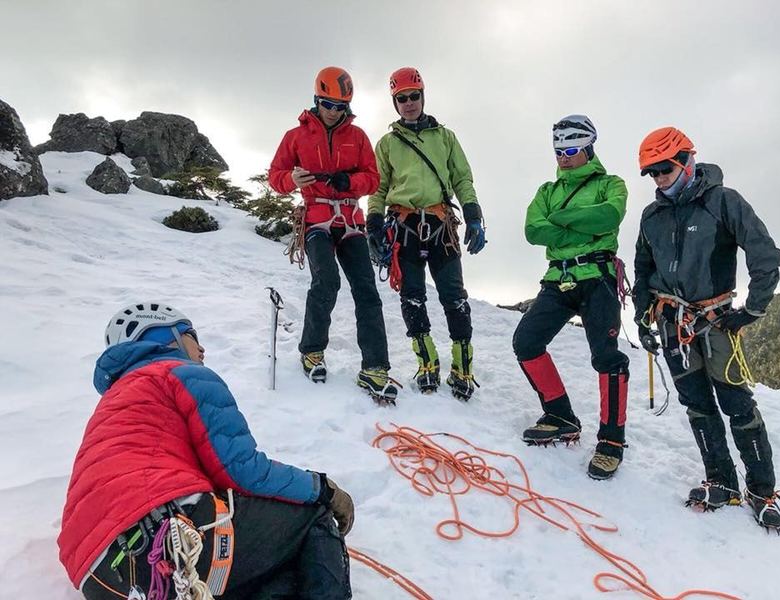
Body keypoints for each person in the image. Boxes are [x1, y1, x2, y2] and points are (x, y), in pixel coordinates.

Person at [58, 302, 355, 599]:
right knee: (313, 516)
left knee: (278, 569)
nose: (202, 350)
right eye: (193, 335)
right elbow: (243, 470)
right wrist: (322, 489)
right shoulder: (177, 373)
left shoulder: (114, 403)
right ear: (166, 336)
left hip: (101, 578)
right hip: (168, 537)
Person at [634, 127, 780, 530]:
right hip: (671, 323)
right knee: (697, 405)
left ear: (685, 161)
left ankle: (762, 490)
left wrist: (753, 310)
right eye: (651, 172)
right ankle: (721, 481)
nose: (658, 178)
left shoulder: (723, 202)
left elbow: (765, 254)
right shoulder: (652, 216)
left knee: (737, 404)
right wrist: (641, 314)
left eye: (664, 168)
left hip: (716, 321)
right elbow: (643, 268)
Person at [268, 66, 398, 404]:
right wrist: (292, 180)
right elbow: (275, 175)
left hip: (351, 222)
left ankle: (375, 367)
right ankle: (312, 350)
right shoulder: (296, 137)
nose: (334, 112)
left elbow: (373, 178)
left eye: (341, 107)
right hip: (316, 220)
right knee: (326, 282)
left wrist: (349, 183)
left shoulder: (357, 137)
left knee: (367, 289)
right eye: (328, 104)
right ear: (317, 99)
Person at [512, 115, 630, 480]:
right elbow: (533, 229)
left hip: (599, 279)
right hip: (558, 279)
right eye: (559, 150)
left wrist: (559, 222)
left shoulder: (612, 184)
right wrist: (581, 224)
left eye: (572, 149)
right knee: (527, 342)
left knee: (607, 357)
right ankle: (560, 415)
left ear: (589, 148)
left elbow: (609, 216)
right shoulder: (547, 190)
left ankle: (611, 442)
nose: (564, 157)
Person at [367, 66, 486, 401]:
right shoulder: (388, 144)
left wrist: (474, 213)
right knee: (412, 296)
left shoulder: (445, 138)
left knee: (454, 295)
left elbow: (462, 178)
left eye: (413, 96)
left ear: (423, 96)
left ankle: (463, 367)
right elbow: (378, 188)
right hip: (402, 226)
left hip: (440, 223)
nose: (408, 103)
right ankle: (427, 362)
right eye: (401, 99)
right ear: (395, 102)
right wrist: (373, 224)